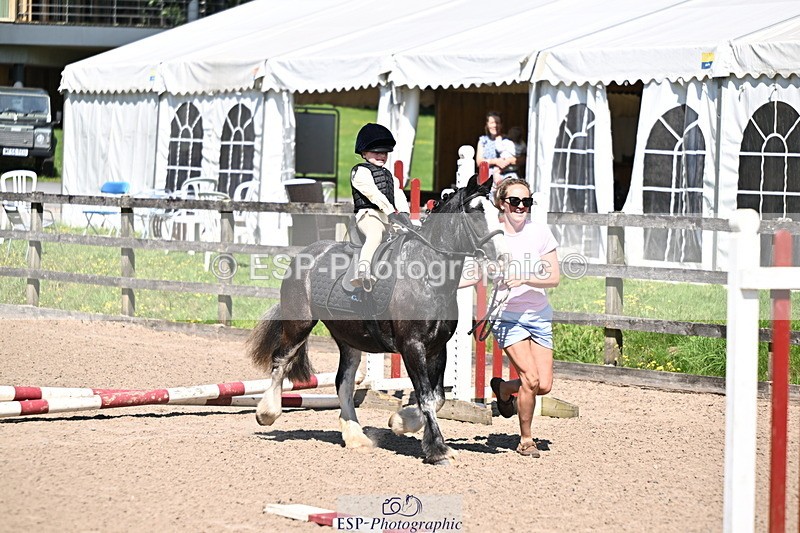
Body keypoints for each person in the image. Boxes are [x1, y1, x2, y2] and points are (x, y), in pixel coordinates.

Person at [488, 177, 560, 457]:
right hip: (507, 315)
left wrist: (524, 278)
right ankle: (526, 439)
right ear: (502, 203)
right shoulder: (492, 234)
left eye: (526, 202)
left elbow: (553, 277)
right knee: (530, 379)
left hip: (539, 315)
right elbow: (478, 270)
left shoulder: (541, 233)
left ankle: (504, 389)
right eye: (515, 201)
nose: (521, 206)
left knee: (543, 385)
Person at [350, 123, 411, 292]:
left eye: (384, 153)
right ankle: (363, 271)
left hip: (388, 217)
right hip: (368, 216)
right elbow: (374, 194)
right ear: (364, 153)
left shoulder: (389, 175)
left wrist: (405, 214)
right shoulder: (360, 172)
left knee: (410, 236)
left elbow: (398, 194)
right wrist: (391, 212)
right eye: (376, 152)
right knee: (375, 235)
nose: (381, 156)